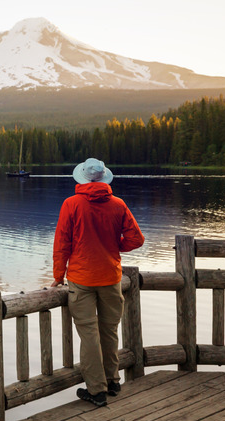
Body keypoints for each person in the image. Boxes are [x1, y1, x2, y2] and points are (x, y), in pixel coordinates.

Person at [51, 158, 144, 407]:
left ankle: (96, 390)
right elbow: (136, 239)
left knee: (89, 335)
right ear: (104, 179)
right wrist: (114, 247)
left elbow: (62, 244)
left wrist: (58, 277)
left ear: (81, 177)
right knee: (109, 330)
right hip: (111, 277)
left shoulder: (71, 204)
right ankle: (113, 380)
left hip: (81, 279)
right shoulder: (118, 204)